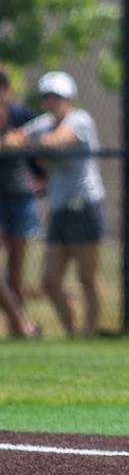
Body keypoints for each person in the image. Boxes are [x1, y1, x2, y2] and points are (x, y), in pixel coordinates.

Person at [4, 71, 105, 338]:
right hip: (59, 208)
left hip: (85, 206)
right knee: (50, 281)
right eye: (47, 97)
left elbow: (57, 141)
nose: (52, 102)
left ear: (68, 98)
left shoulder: (80, 120)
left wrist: (27, 142)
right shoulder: (41, 124)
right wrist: (18, 140)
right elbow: (13, 140)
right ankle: (74, 334)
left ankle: (90, 334)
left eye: (57, 96)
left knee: (87, 278)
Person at [0, 67, 41, 339]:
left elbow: (40, 154)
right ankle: (23, 324)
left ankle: (17, 332)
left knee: (16, 271)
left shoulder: (22, 116)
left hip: (21, 200)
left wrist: (42, 181)